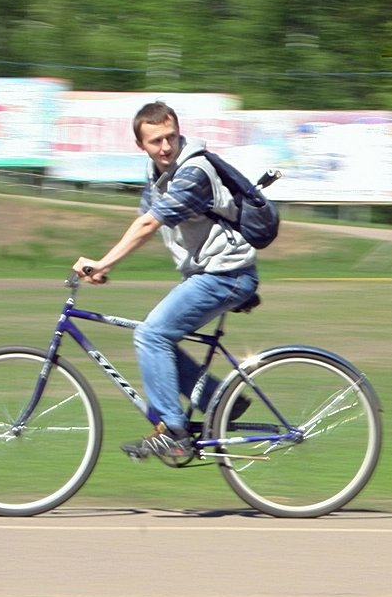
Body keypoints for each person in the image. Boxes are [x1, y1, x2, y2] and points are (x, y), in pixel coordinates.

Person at [72, 101, 258, 462]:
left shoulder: (193, 172)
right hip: (210, 273)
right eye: (156, 141)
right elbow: (143, 217)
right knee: (160, 338)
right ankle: (220, 402)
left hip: (226, 274)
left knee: (150, 334)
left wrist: (101, 263)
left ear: (179, 132)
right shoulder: (157, 171)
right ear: (141, 145)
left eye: (171, 137)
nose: (166, 147)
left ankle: (173, 432)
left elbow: (148, 225)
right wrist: (109, 265)